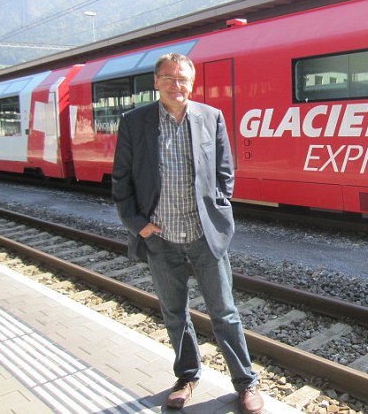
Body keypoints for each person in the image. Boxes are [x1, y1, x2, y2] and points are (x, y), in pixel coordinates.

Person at [112, 52, 263, 413]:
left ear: (191, 83)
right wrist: (139, 225)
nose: (176, 85)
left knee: (224, 313)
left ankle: (246, 383)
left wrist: (221, 209)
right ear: (156, 81)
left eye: (182, 79)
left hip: (204, 236)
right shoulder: (134, 122)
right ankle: (187, 377)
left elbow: (225, 170)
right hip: (160, 238)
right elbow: (121, 181)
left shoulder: (211, 117)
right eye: (168, 78)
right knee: (175, 314)